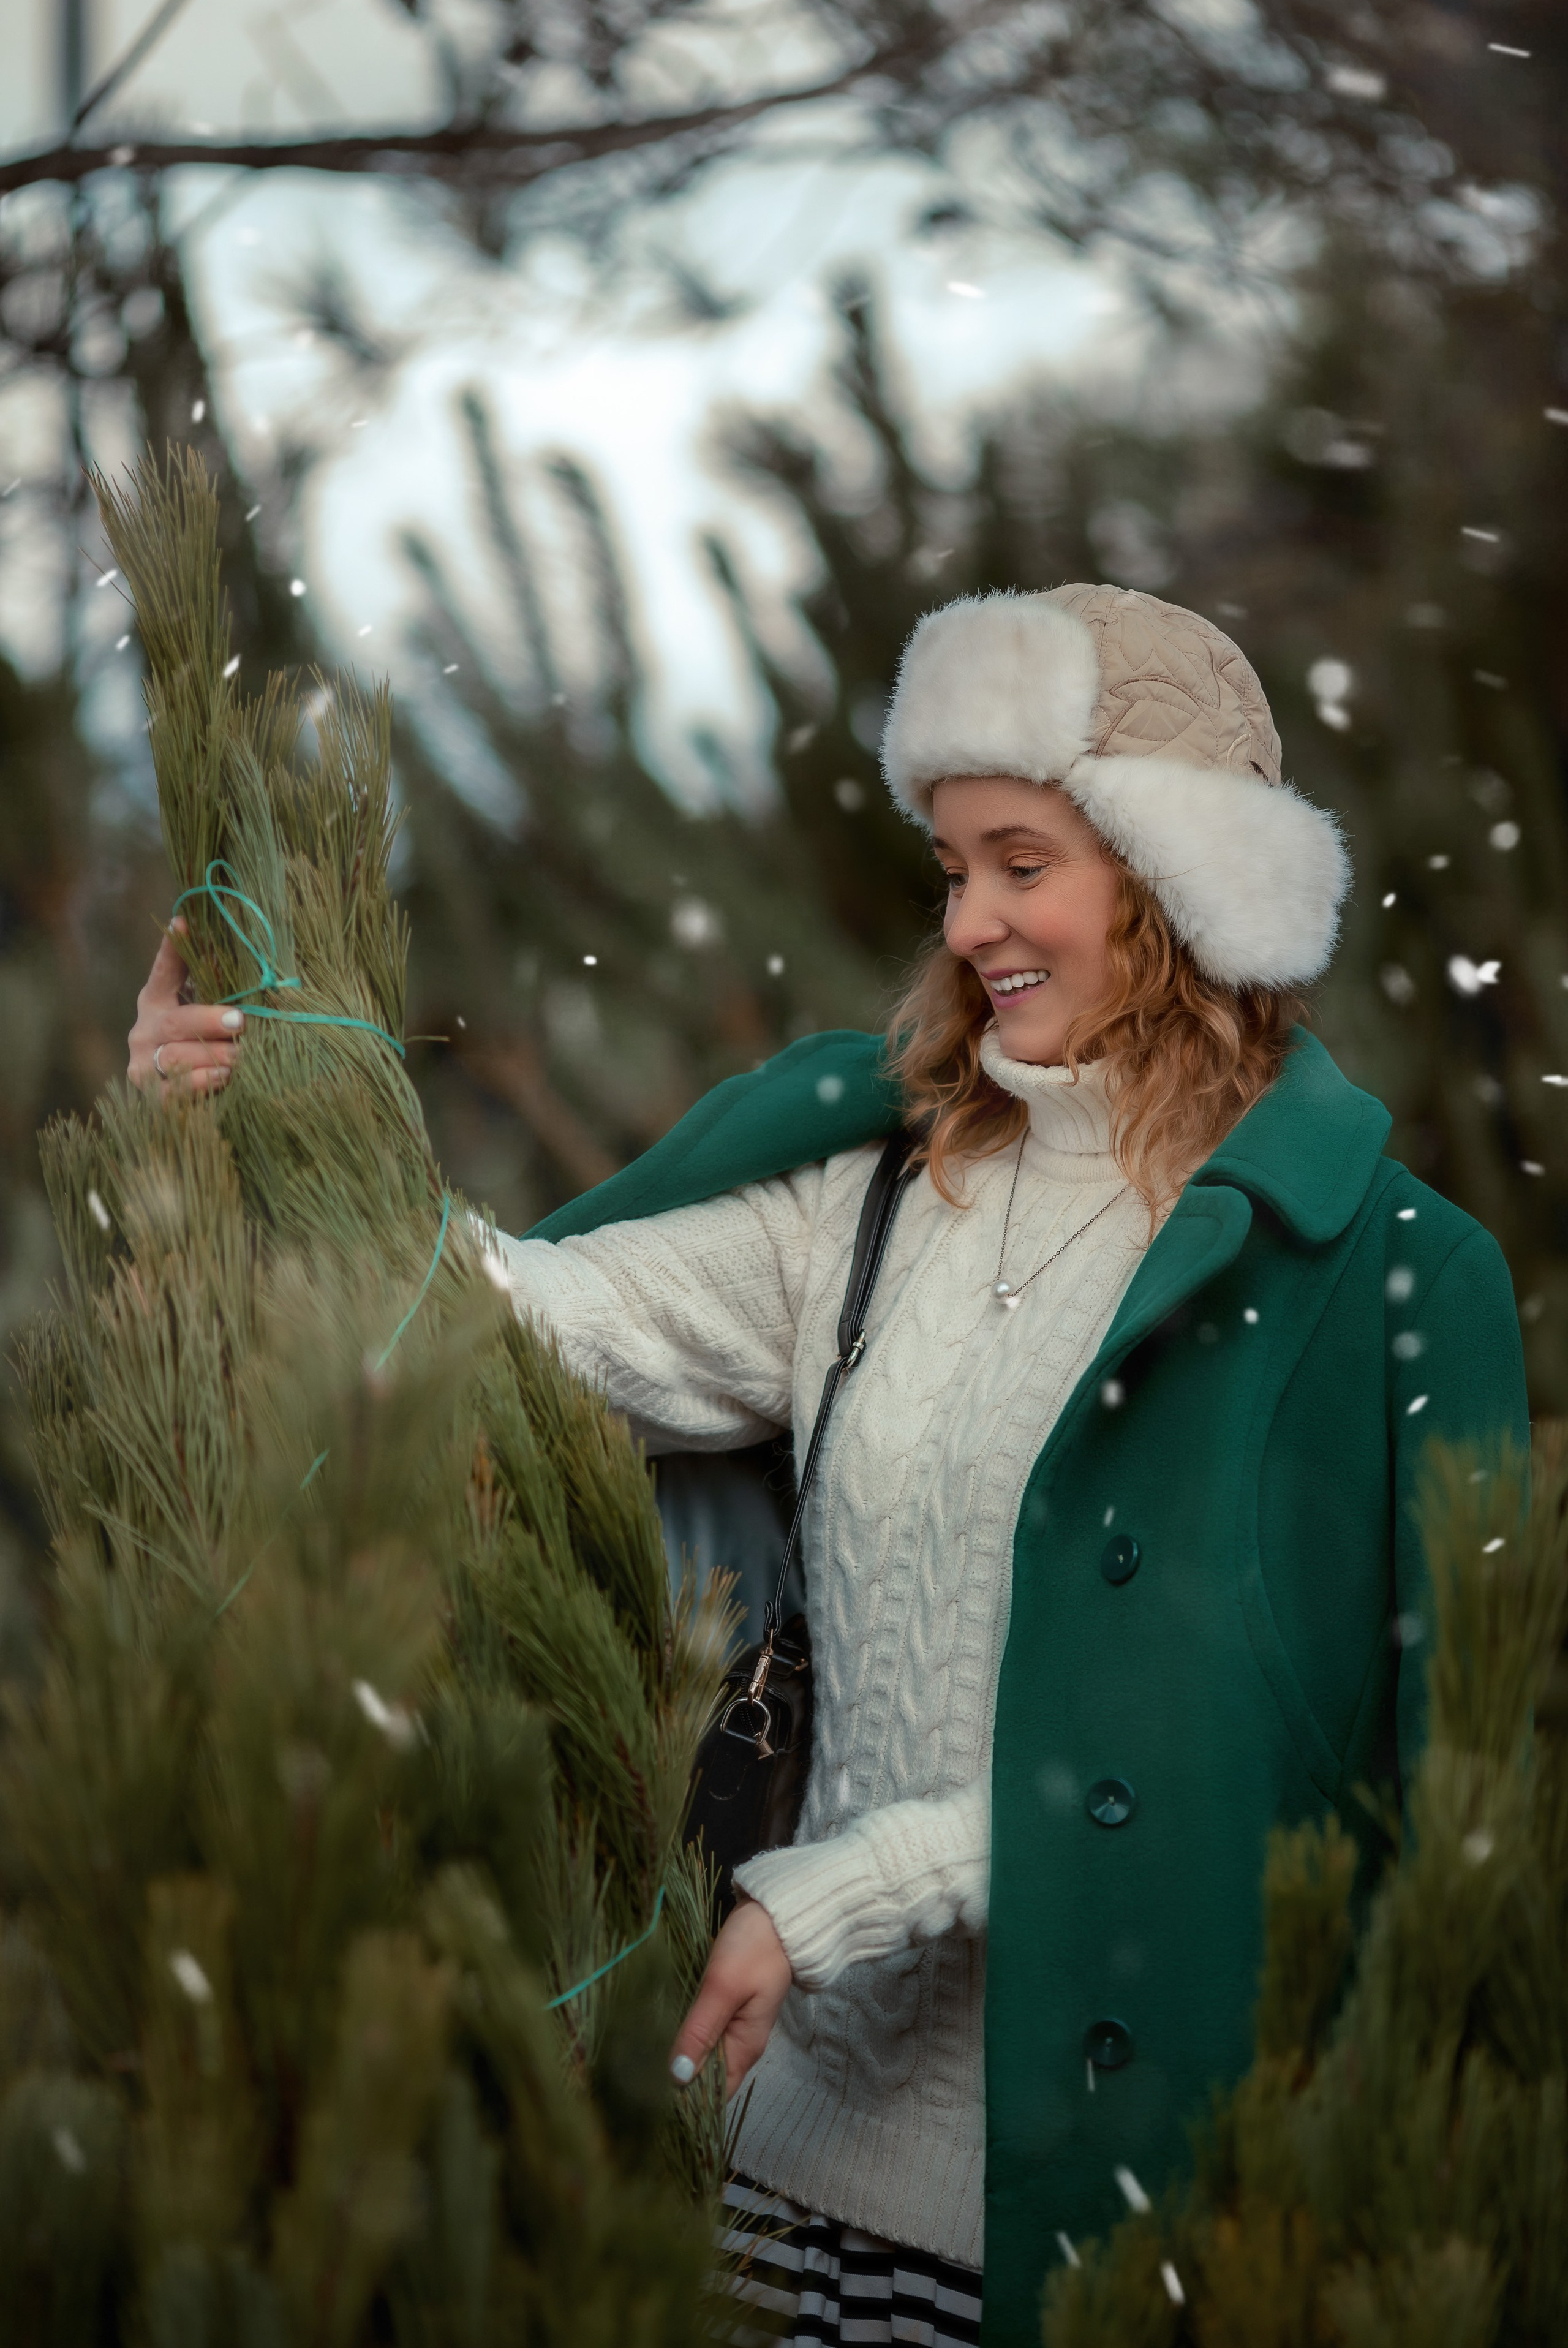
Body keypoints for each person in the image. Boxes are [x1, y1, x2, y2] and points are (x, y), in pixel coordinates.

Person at [129, 584, 1529, 2347]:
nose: (971, 922)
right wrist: (260, 1116)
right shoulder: (873, 1193)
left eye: (1023, 863)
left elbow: (1290, 1799)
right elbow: (486, 1327)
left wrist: (856, 1890)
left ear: (1180, 877)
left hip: (1112, 2236)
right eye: (952, 868)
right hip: (774, 2188)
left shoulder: (1372, 1277)